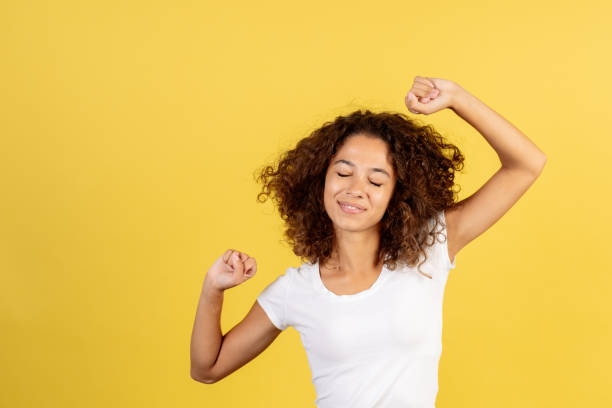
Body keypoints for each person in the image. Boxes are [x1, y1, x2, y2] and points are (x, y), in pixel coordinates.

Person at [190, 76, 547, 407]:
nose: (355, 190)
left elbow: (526, 164)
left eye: (376, 182)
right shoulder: (295, 290)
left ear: (397, 194)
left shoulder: (430, 249)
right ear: (320, 180)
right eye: (343, 173)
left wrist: (456, 97)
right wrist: (213, 288)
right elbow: (207, 369)